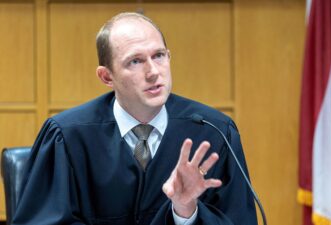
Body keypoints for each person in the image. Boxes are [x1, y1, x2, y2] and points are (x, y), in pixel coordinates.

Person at [12, 12, 258, 225]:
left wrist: (186, 212)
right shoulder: (66, 136)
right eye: (135, 61)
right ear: (107, 76)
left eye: (159, 55)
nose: (153, 72)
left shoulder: (214, 131)